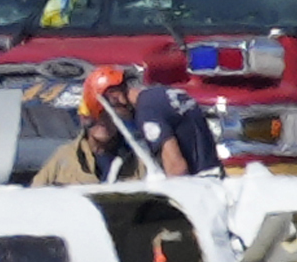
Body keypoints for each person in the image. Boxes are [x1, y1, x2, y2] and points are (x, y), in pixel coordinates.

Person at [85, 65, 224, 178]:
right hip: (215, 177)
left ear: (114, 96)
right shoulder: (163, 93)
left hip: (199, 187)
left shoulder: (147, 113)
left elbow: (176, 167)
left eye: (110, 112)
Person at [31, 68, 144, 186]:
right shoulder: (64, 158)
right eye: (97, 112)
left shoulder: (138, 160)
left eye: (110, 114)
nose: (103, 120)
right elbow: (34, 197)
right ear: (83, 116)